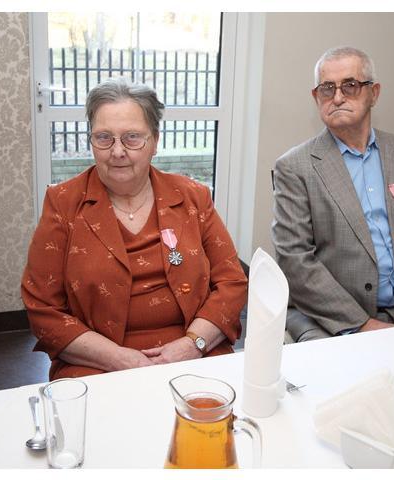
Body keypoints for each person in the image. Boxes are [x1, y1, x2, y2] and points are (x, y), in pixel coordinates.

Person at [21, 78, 247, 380]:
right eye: (104, 137)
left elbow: (232, 281)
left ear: (155, 141)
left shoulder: (193, 197)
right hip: (97, 360)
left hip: (192, 350)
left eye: (132, 138)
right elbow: (42, 308)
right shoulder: (63, 203)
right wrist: (120, 359)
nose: (117, 151)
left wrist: (192, 344)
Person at [271, 46, 394, 342]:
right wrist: (365, 327)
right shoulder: (294, 167)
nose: (337, 98)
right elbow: (295, 260)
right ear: (316, 97)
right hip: (331, 318)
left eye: (350, 85)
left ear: (374, 93)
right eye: (327, 88)